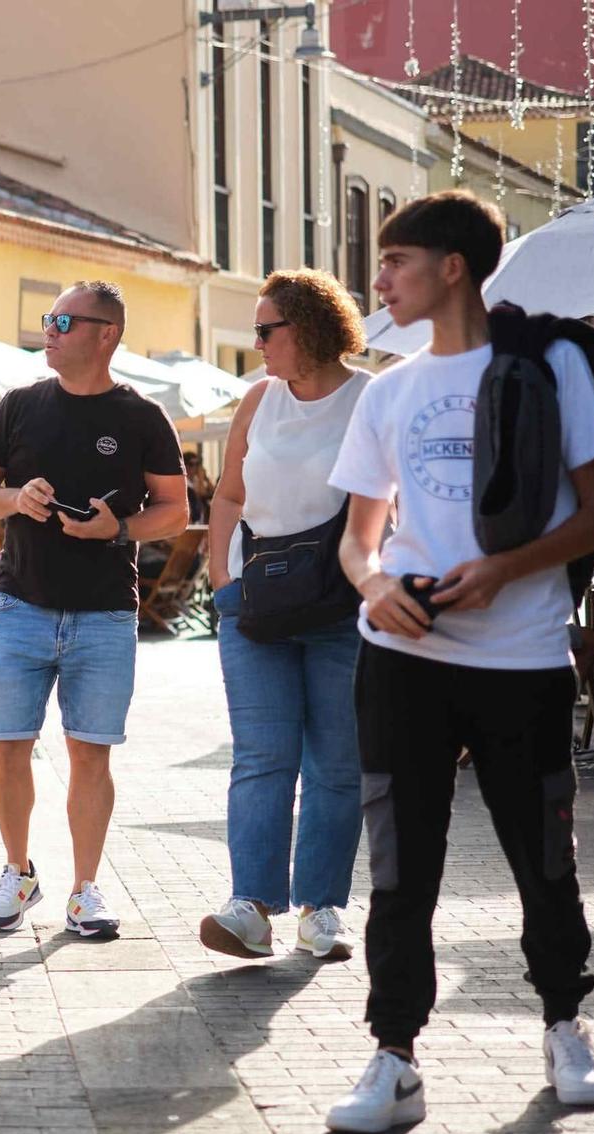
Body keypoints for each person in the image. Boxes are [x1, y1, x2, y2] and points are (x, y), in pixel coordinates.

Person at [324, 191, 594, 1134]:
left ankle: (566, 1025)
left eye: (395, 262)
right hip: (401, 656)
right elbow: (357, 539)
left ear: (452, 265)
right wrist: (375, 588)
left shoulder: (551, 363)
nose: (380, 283)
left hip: (521, 655)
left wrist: (503, 569)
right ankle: (394, 1054)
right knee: (401, 865)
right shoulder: (387, 389)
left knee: (543, 855)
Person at [0, 281, 189, 936]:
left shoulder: (142, 416)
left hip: (104, 612)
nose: (49, 330)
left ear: (105, 333)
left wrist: (117, 528)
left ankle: (86, 889)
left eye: (62, 319)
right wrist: (15, 499)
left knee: (92, 753)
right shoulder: (21, 405)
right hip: (21, 605)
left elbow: (176, 511)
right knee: (7, 745)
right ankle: (18, 870)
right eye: (47, 318)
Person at [200, 269, 371, 964]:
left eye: (267, 329)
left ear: (309, 328)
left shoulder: (370, 398)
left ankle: (320, 909)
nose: (258, 342)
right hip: (257, 605)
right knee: (263, 757)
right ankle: (251, 907)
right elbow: (228, 496)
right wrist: (221, 579)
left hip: (342, 606)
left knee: (336, 764)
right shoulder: (258, 399)